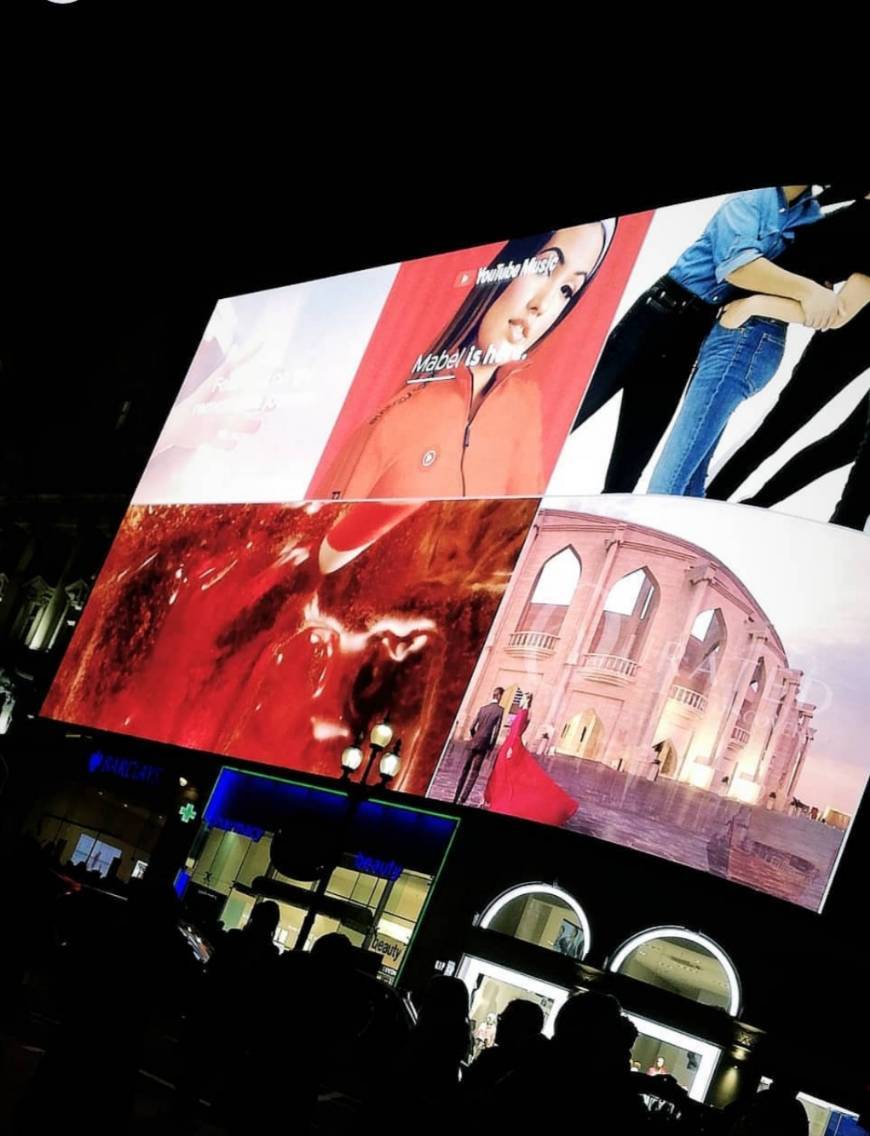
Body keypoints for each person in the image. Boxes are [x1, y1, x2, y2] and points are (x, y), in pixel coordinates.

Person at [310, 222, 616, 500]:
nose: (543, 304)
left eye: (566, 290)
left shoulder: (524, 409)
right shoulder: (399, 414)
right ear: (509, 263)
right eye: (545, 266)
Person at [572, 186, 833, 492]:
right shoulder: (751, 199)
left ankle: (610, 535)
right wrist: (809, 290)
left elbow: (816, 280)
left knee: (630, 465)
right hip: (656, 316)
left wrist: (816, 288)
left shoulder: (811, 216)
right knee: (568, 417)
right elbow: (738, 269)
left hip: (694, 335)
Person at [649, 198, 870, 497]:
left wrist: (754, 305)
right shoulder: (851, 204)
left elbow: (841, 313)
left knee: (671, 479)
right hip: (734, 329)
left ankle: (665, 535)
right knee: (689, 476)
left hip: (751, 335)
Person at [484, 693, 578, 826]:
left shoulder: (523, 712)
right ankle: (496, 797)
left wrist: (511, 747)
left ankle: (503, 799)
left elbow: (516, 731)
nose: (521, 699)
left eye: (523, 698)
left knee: (506, 773)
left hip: (511, 744)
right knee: (504, 772)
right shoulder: (526, 712)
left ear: (527, 699)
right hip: (510, 744)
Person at [453, 687, 505, 804]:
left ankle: (456, 795)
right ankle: (463, 798)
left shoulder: (482, 709)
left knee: (465, 769)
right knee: (474, 772)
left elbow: (472, 727)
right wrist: (491, 745)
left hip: (474, 741)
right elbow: (496, 731)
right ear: (500, 696)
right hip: (484, 744)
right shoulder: (500, 710)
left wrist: (474, 736)